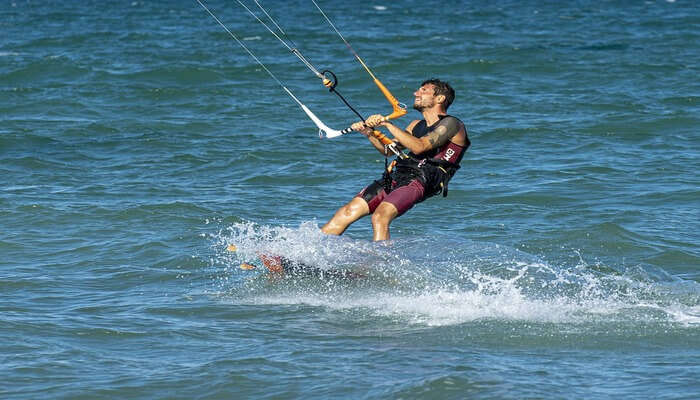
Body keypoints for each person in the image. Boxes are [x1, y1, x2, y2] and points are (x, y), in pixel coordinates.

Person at [321, 79, 470, 241]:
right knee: (348, 211)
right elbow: (388, 151)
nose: (416, 93)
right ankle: (309, 255)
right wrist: (369, 133)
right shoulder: (415, 125)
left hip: (422, 180)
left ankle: (380, 263)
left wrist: (387, 124)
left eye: (424, 90)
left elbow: (421, 146)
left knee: (380, 216)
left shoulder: (452, 124)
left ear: (440, 98)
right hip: (398, 175)